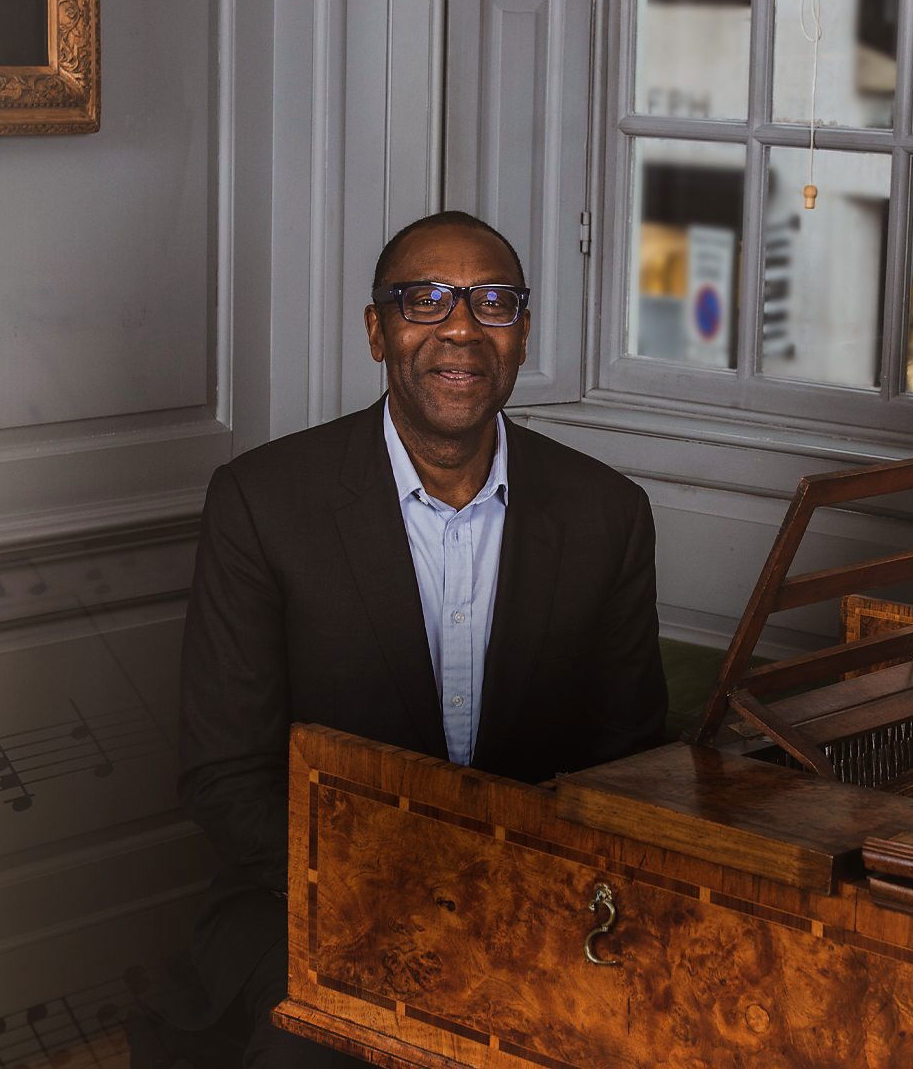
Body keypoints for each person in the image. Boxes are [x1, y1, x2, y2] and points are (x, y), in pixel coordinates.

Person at [131, 211, 670, 1068]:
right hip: (312, 893)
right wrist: (404, 902)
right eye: (425, 300)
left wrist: (526, 903)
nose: (461, 327)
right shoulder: (263, 503)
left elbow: (629, 760)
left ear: (522, 334)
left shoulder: (608, 513)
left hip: (534, 900)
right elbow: (226, 775)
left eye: (493, 301)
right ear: (377, 332)